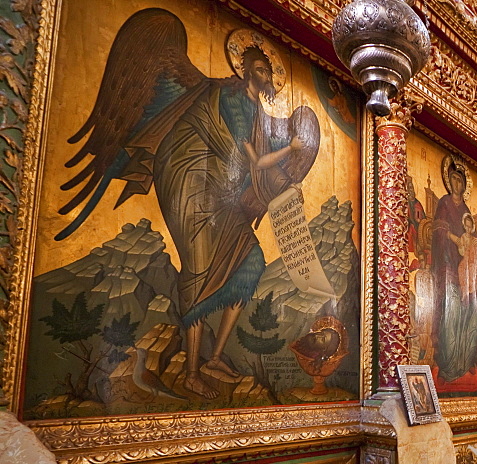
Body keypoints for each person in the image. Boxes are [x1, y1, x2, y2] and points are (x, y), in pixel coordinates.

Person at [56, 10, 319, 399]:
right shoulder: (227, 98)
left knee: (250, 262)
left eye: (270, 72)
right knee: (197, 269)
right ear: (246, 70)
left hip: (225, 197)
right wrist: (292, 150)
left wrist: (287, 177)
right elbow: (255, 162)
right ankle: (191, 369)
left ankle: (214, 357)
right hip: (190, 184)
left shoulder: (261, 117)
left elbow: (260, 172)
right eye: (261, 70)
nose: (268, 79)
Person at [431, 159, 477, 385]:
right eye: (453, 178)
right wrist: (455, 239)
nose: (456, 183)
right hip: (448, 266)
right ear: (449, 182)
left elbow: (473, 238)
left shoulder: (466, 210)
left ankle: (464, 362)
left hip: (467, 274)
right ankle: (448, 363)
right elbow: (439, 228)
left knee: (470, 313)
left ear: (464, 186)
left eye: (460, 180)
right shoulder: (444, 203)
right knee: (450, 314)